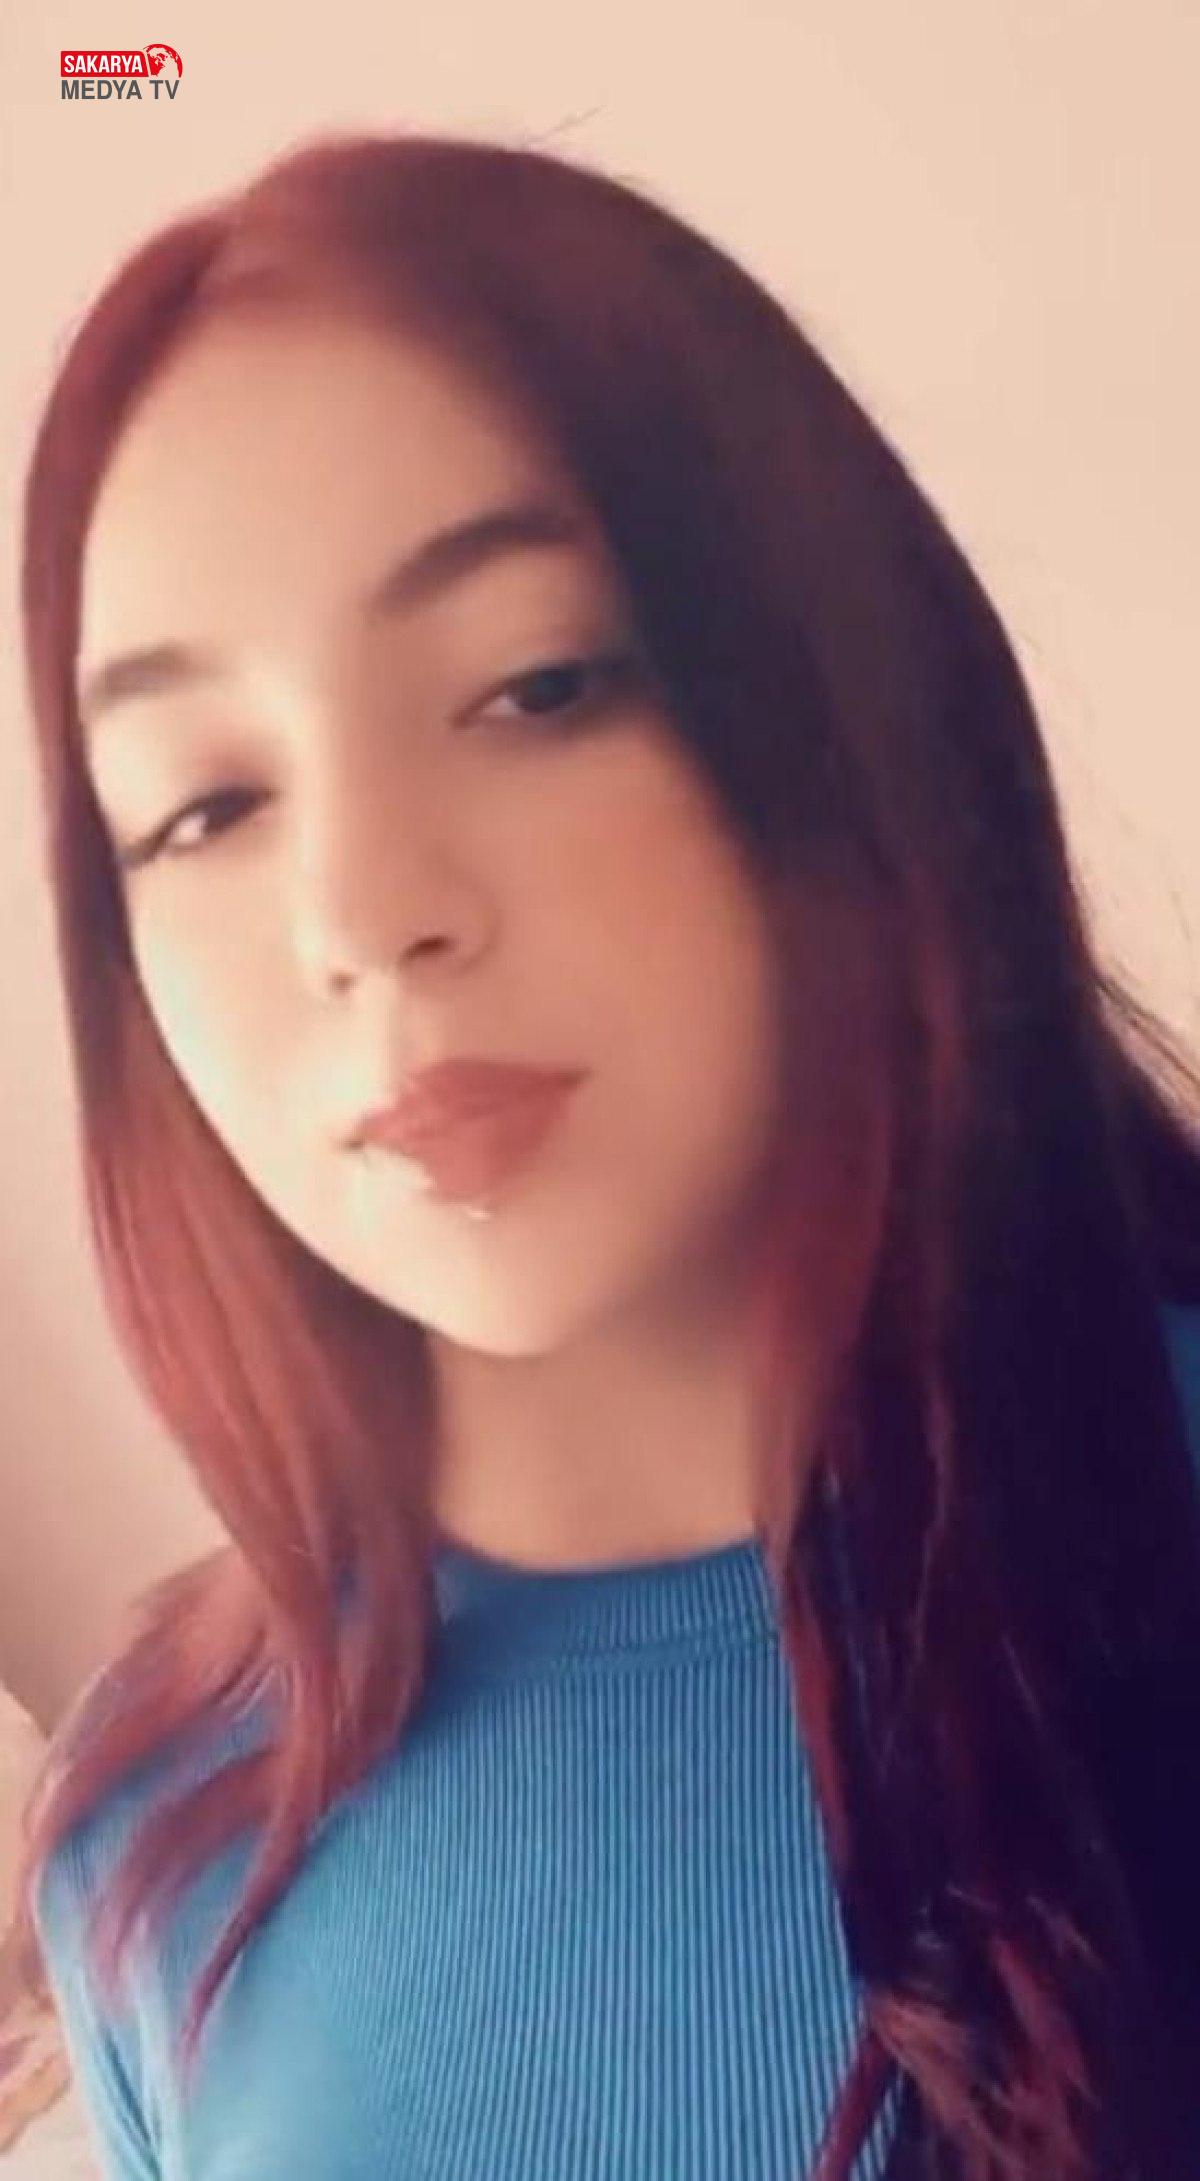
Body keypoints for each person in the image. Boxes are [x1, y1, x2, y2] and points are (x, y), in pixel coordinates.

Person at [8, 129, 1200, 2181]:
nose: (363, 911)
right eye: (203, 804)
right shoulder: (149, 1831)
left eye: (536, 686)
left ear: (834, 710)